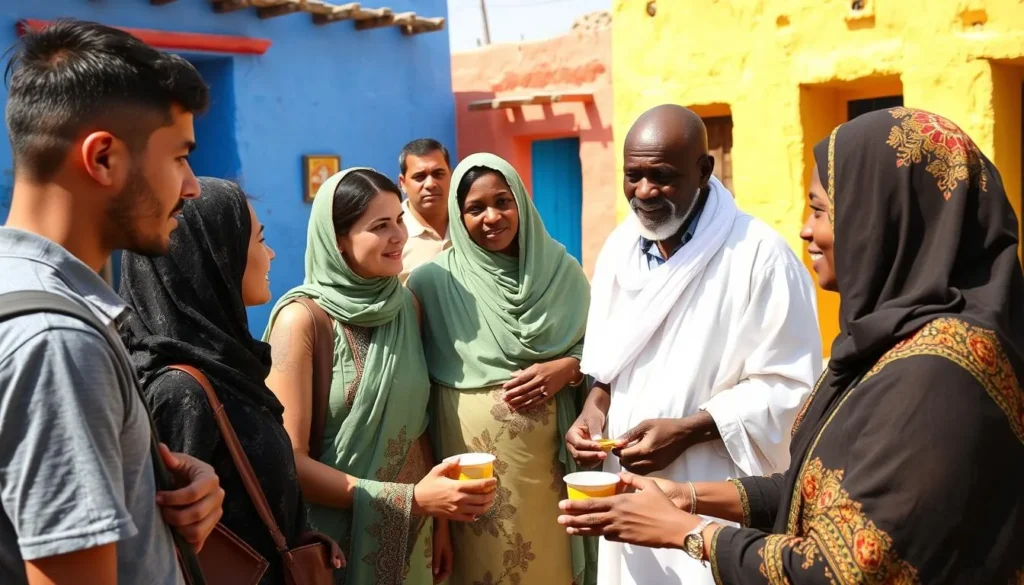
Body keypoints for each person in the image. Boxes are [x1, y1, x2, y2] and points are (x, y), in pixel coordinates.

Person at [557, 107, 1024, 583]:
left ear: (883, 220)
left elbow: (850, 564)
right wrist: (679, 492)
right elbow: (810, 485)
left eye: (821, 210)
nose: (644, 191)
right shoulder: (882, 345)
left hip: (724, 534)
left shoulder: (936, 377)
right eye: (632, 176)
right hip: (670, 505)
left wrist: (690, 517)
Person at [0, 19, 225, 585]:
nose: (193, 186)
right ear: (103, 159)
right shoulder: (57, 340)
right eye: (179, 157)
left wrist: (146, 477)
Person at [565, 105, 821, 585]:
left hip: (710, 497)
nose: (643, 192)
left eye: (661, 177)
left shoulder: (760, 258)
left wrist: (689, 430)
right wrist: (593, 413)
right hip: (629, 492)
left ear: (704, 171)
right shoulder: (621, 248)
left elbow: (791, 389)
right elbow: (609, 363)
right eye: (633, 175)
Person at [264, 168, 497, 585]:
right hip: (333, 544)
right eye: (379, 226)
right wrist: (411, 499)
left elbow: (416, 425)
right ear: (337, 240)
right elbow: (289, 463)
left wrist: (437, 521)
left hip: (415, 535)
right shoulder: (302, 320)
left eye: (399, 221)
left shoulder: (407, 306)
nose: (399, 237)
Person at [119, 178, 343, 585]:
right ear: (213, 259)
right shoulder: (181, 391)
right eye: (258, 240)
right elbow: (176, 554)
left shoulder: (229, 368)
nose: (271, 255)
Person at [407, 153, 594, 585]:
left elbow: (605, 352)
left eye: (503, 202)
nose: (492, 217)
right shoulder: (432, 282)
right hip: (474, 480)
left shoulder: (562, 274)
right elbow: (414, 387)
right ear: (459, 214)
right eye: (475, 208)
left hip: (551, 473)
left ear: (522, 204)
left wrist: (567, 368)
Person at [397, 138, 453, 283]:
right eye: (419, 177)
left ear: (451, 175)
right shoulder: (391, 233)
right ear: (402, 183)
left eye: (438, 174)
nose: (430, 184)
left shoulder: (469, 224)